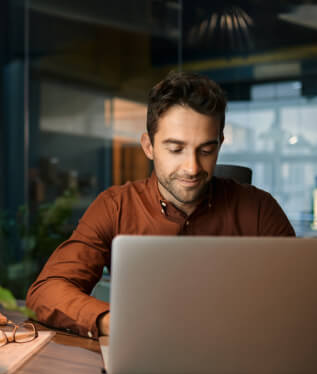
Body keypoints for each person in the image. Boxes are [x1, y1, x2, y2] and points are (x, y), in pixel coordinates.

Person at [26, 71, 295, 338]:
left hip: (241, 355)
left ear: (220, 145)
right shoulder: (115, 207)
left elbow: (302, 297)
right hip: (143, 355)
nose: (192, 168)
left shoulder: (259, 209)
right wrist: (113, 322)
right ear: (149, 146)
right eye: (176, 149)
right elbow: (47, 290)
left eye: (206, 150)